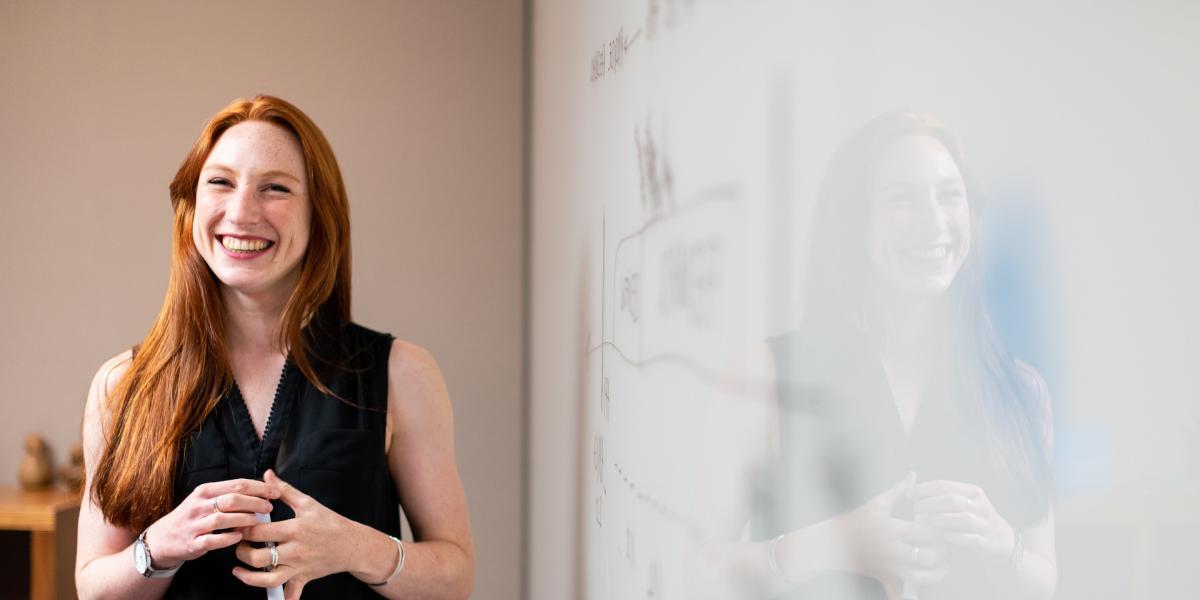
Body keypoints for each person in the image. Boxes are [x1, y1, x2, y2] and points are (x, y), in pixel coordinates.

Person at [74, 95, 475, 599]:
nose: (242, 212)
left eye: (275, 189)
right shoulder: (121, 386)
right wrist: (158, 546)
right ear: (191, 206)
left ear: (319, 217)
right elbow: (93, 590)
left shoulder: (402, 374)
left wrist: (355, 547)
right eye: (220, 182)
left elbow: (455, 578)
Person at [755, 110, 1056, 599]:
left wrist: (1005, 546)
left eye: (950, 196)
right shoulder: (769, 374)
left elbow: (1045, 583)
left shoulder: (1020, 390)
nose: (934, 222)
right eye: (902, 199)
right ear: (852, 221)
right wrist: (827, 545)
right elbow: (700, 565)